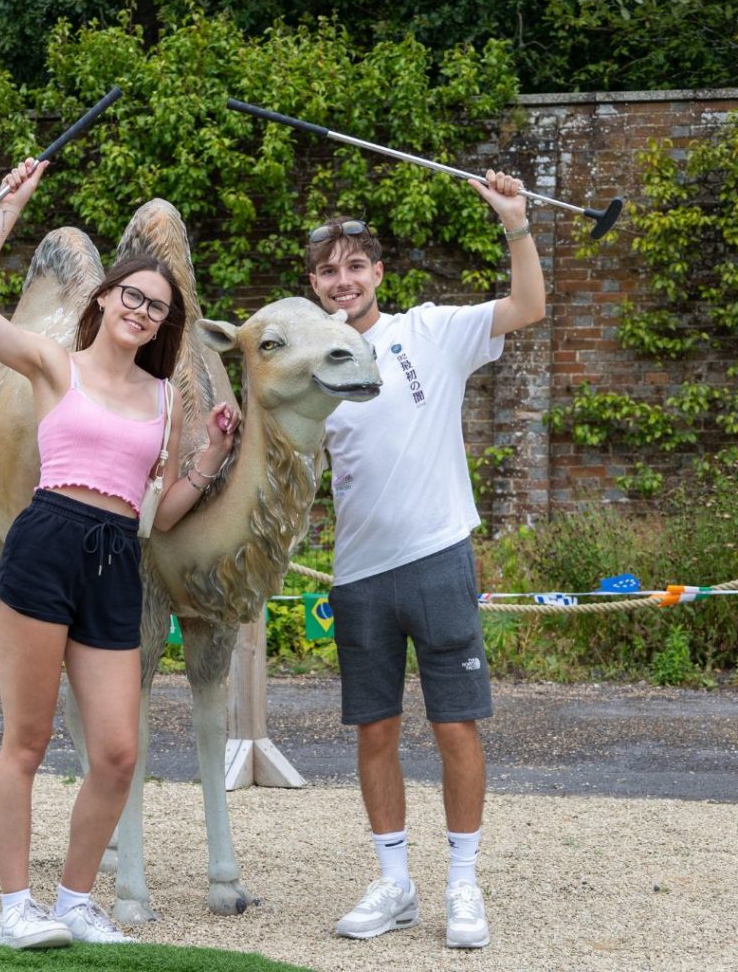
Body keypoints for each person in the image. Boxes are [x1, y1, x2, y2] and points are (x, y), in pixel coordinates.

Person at [0, 157, 238, 948]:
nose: (142, 311)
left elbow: (160, 510)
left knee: (115, 750)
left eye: (157, 307)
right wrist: (8, 210)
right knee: (30, 741)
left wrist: (206, 460)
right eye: (133, 297)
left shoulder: (164, 399)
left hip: (117, 555)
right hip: (45, 545)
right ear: (104, 299)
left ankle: (75, 901)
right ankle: (16, 908)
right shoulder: (55, 365)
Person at [305, 171, 545, 949]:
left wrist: (514, 223)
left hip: (439, 556)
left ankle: (463, 886)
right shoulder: (308, 368)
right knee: (373, 732)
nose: (342, 280)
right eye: (327, 270)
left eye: (355, 266)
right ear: (314, 284)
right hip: (357, 574)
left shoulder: (430, 330)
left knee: (456, 728)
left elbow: (528, 307)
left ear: (379, 273)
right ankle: (394, 883)